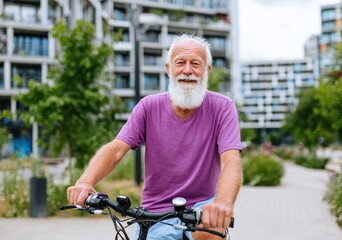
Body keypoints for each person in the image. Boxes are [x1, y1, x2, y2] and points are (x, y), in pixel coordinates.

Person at [67, 34, 243, 240]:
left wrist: (222, 203)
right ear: (169, 68)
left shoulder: (222, 107)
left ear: (207, 71)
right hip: (154, 213)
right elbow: (116, 149)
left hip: (201, 207)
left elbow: (231, 161)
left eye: (196, 64)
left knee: (209, 233)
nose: (188, 70)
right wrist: (86, 182)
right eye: (180, 63)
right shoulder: (148, 107)